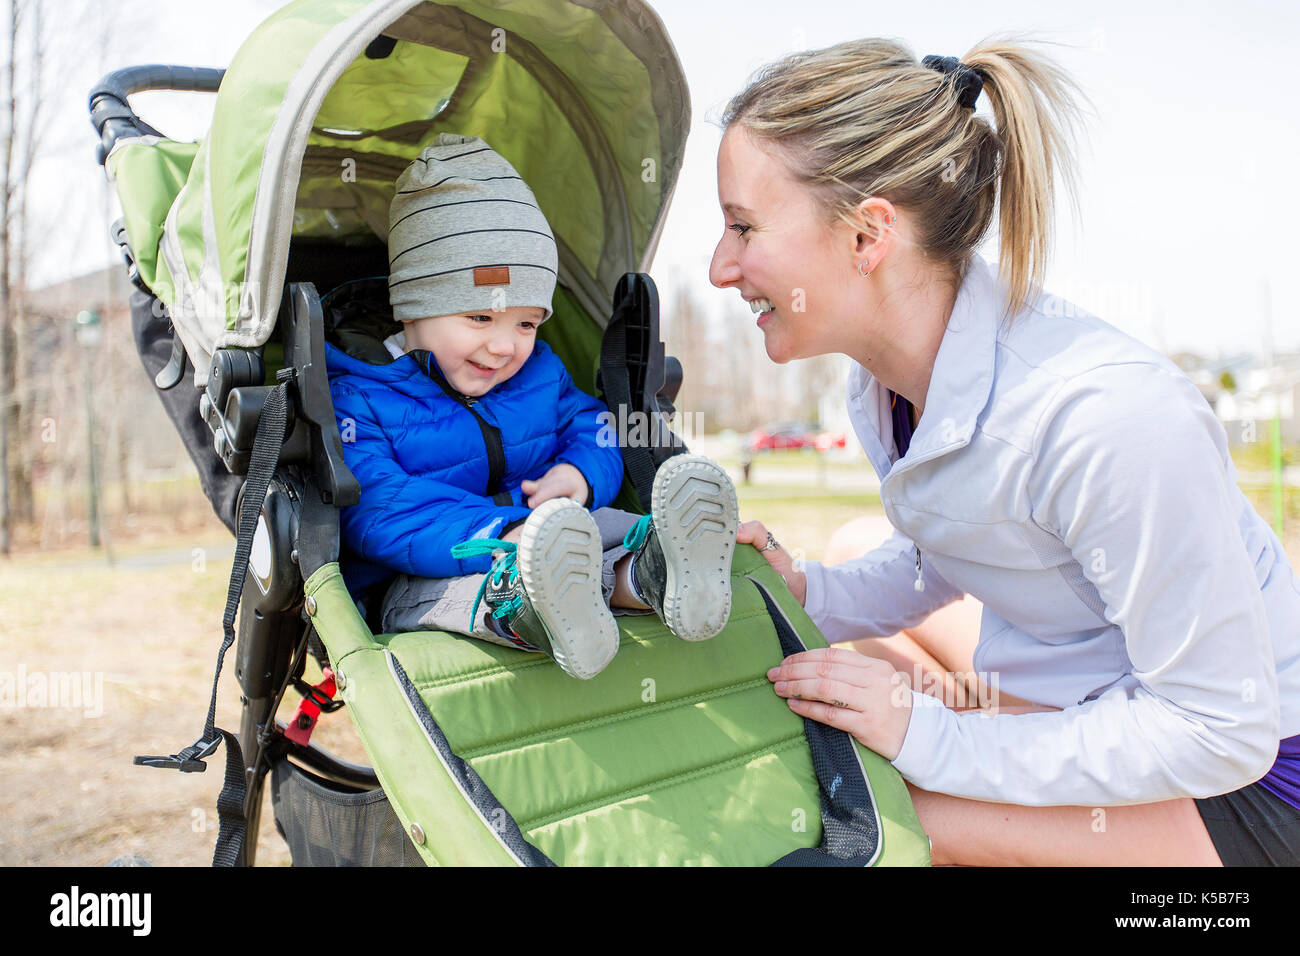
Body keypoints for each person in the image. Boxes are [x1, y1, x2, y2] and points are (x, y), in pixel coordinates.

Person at [716, 39, 1300, 865]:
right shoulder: (882, 384)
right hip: (1094, 697)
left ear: (866, 234)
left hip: (1251, 780)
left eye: (742, 226)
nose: (718, 267)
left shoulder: (1107, 417)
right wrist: (808, 589)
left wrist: (934, 738)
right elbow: (957, 548)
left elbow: (1222, 731)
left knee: (885, 815)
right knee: (847, 576)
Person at [325, 134, 739, 680]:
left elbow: (595, 424)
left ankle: (658, 576)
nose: (505, 346)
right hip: (427, 571)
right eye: (480, 319)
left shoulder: (538, 372)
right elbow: (378, 509)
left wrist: (581, 474)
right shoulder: (362, 394)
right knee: (447, 590)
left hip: (560, 538)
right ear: (412, 310)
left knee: (608, 528)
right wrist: (507, 536)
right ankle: (528, 613)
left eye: (526, 323)